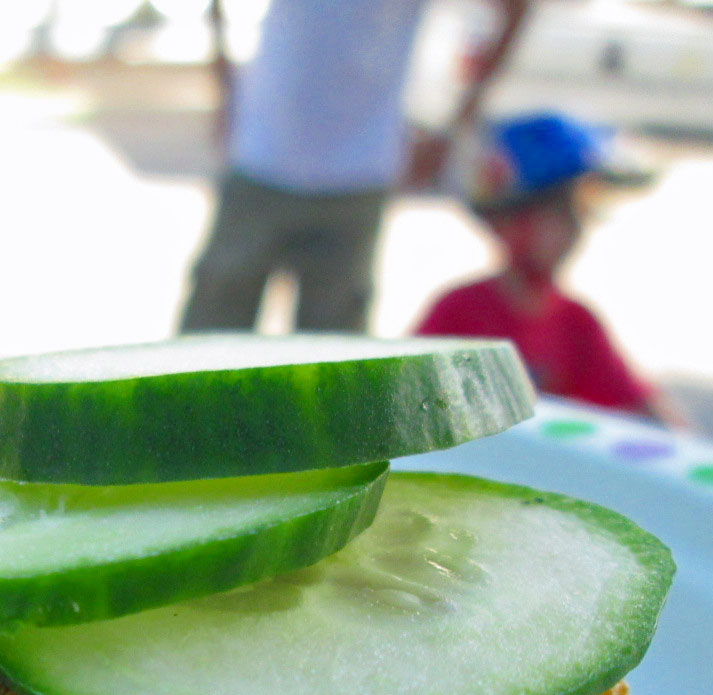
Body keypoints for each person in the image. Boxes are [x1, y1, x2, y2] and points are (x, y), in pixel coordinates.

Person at [179, 0, 531, 335]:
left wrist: (454, 126)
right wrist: (223, 80)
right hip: (261, 157)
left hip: (357, 174)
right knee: (205, 342)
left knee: (337, 367)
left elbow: (515, 9)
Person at [415, 111, 685, 425]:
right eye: (562, 211)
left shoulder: (576, 323)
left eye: (582, 211)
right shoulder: (457, 313)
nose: (576, 226)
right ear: (507, 221)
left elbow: (651, 418)